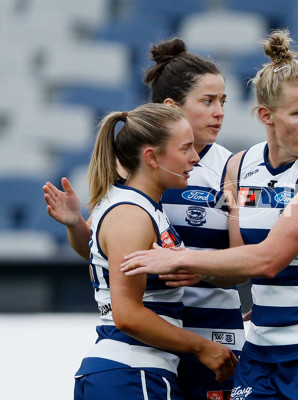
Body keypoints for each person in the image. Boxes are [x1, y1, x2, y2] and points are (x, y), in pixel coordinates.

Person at [121, 29, 298, 399]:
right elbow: (236, 265)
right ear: (265, 115)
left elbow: (268, 260)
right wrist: (198, 268)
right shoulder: (241, 166)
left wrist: (179, 257)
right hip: (261, 349)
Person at [43, 38, 246, 399]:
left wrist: (204, 271)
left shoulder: (233, 168)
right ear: (171, 109)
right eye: (208, 101)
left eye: (223, 101)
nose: (220, 112)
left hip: (211, 336)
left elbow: (246, 262)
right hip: (148, 346)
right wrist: (78, 227)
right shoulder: (134, 177)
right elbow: (111, 256)